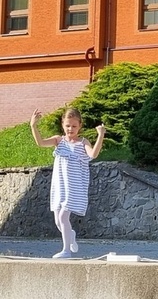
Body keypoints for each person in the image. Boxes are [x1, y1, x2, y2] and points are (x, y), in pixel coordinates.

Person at [30, 107, 106, 259]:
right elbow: (40, 143)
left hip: (75, 187)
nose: (70, 129)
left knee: (63, 217)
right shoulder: (59, 141)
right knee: (58, 221)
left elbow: (93, 154)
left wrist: (101, 135)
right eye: (68, 125)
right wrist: (33, 125)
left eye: (74, 126)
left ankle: (66, 251)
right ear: (63, 125)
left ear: (80, 126)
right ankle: (70, 235)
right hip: (60, 186)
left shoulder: (83, 142)